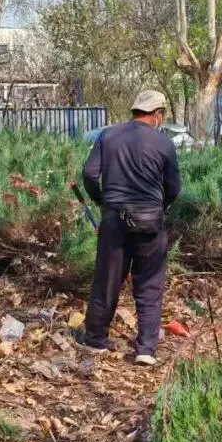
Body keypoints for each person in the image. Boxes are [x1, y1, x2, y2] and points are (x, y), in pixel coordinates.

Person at [80, 90, 181, 366]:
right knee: (149, 283)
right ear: (157, 114)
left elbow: (89, 174)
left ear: (136, 111)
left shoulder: (108, 136)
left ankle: (95, 340)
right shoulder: (163, 143)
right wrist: (160, 206)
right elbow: (174, 188)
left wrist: (102, 201)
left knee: (107, 279)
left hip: (114, 219)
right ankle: (146, 348)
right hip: (150, 220)